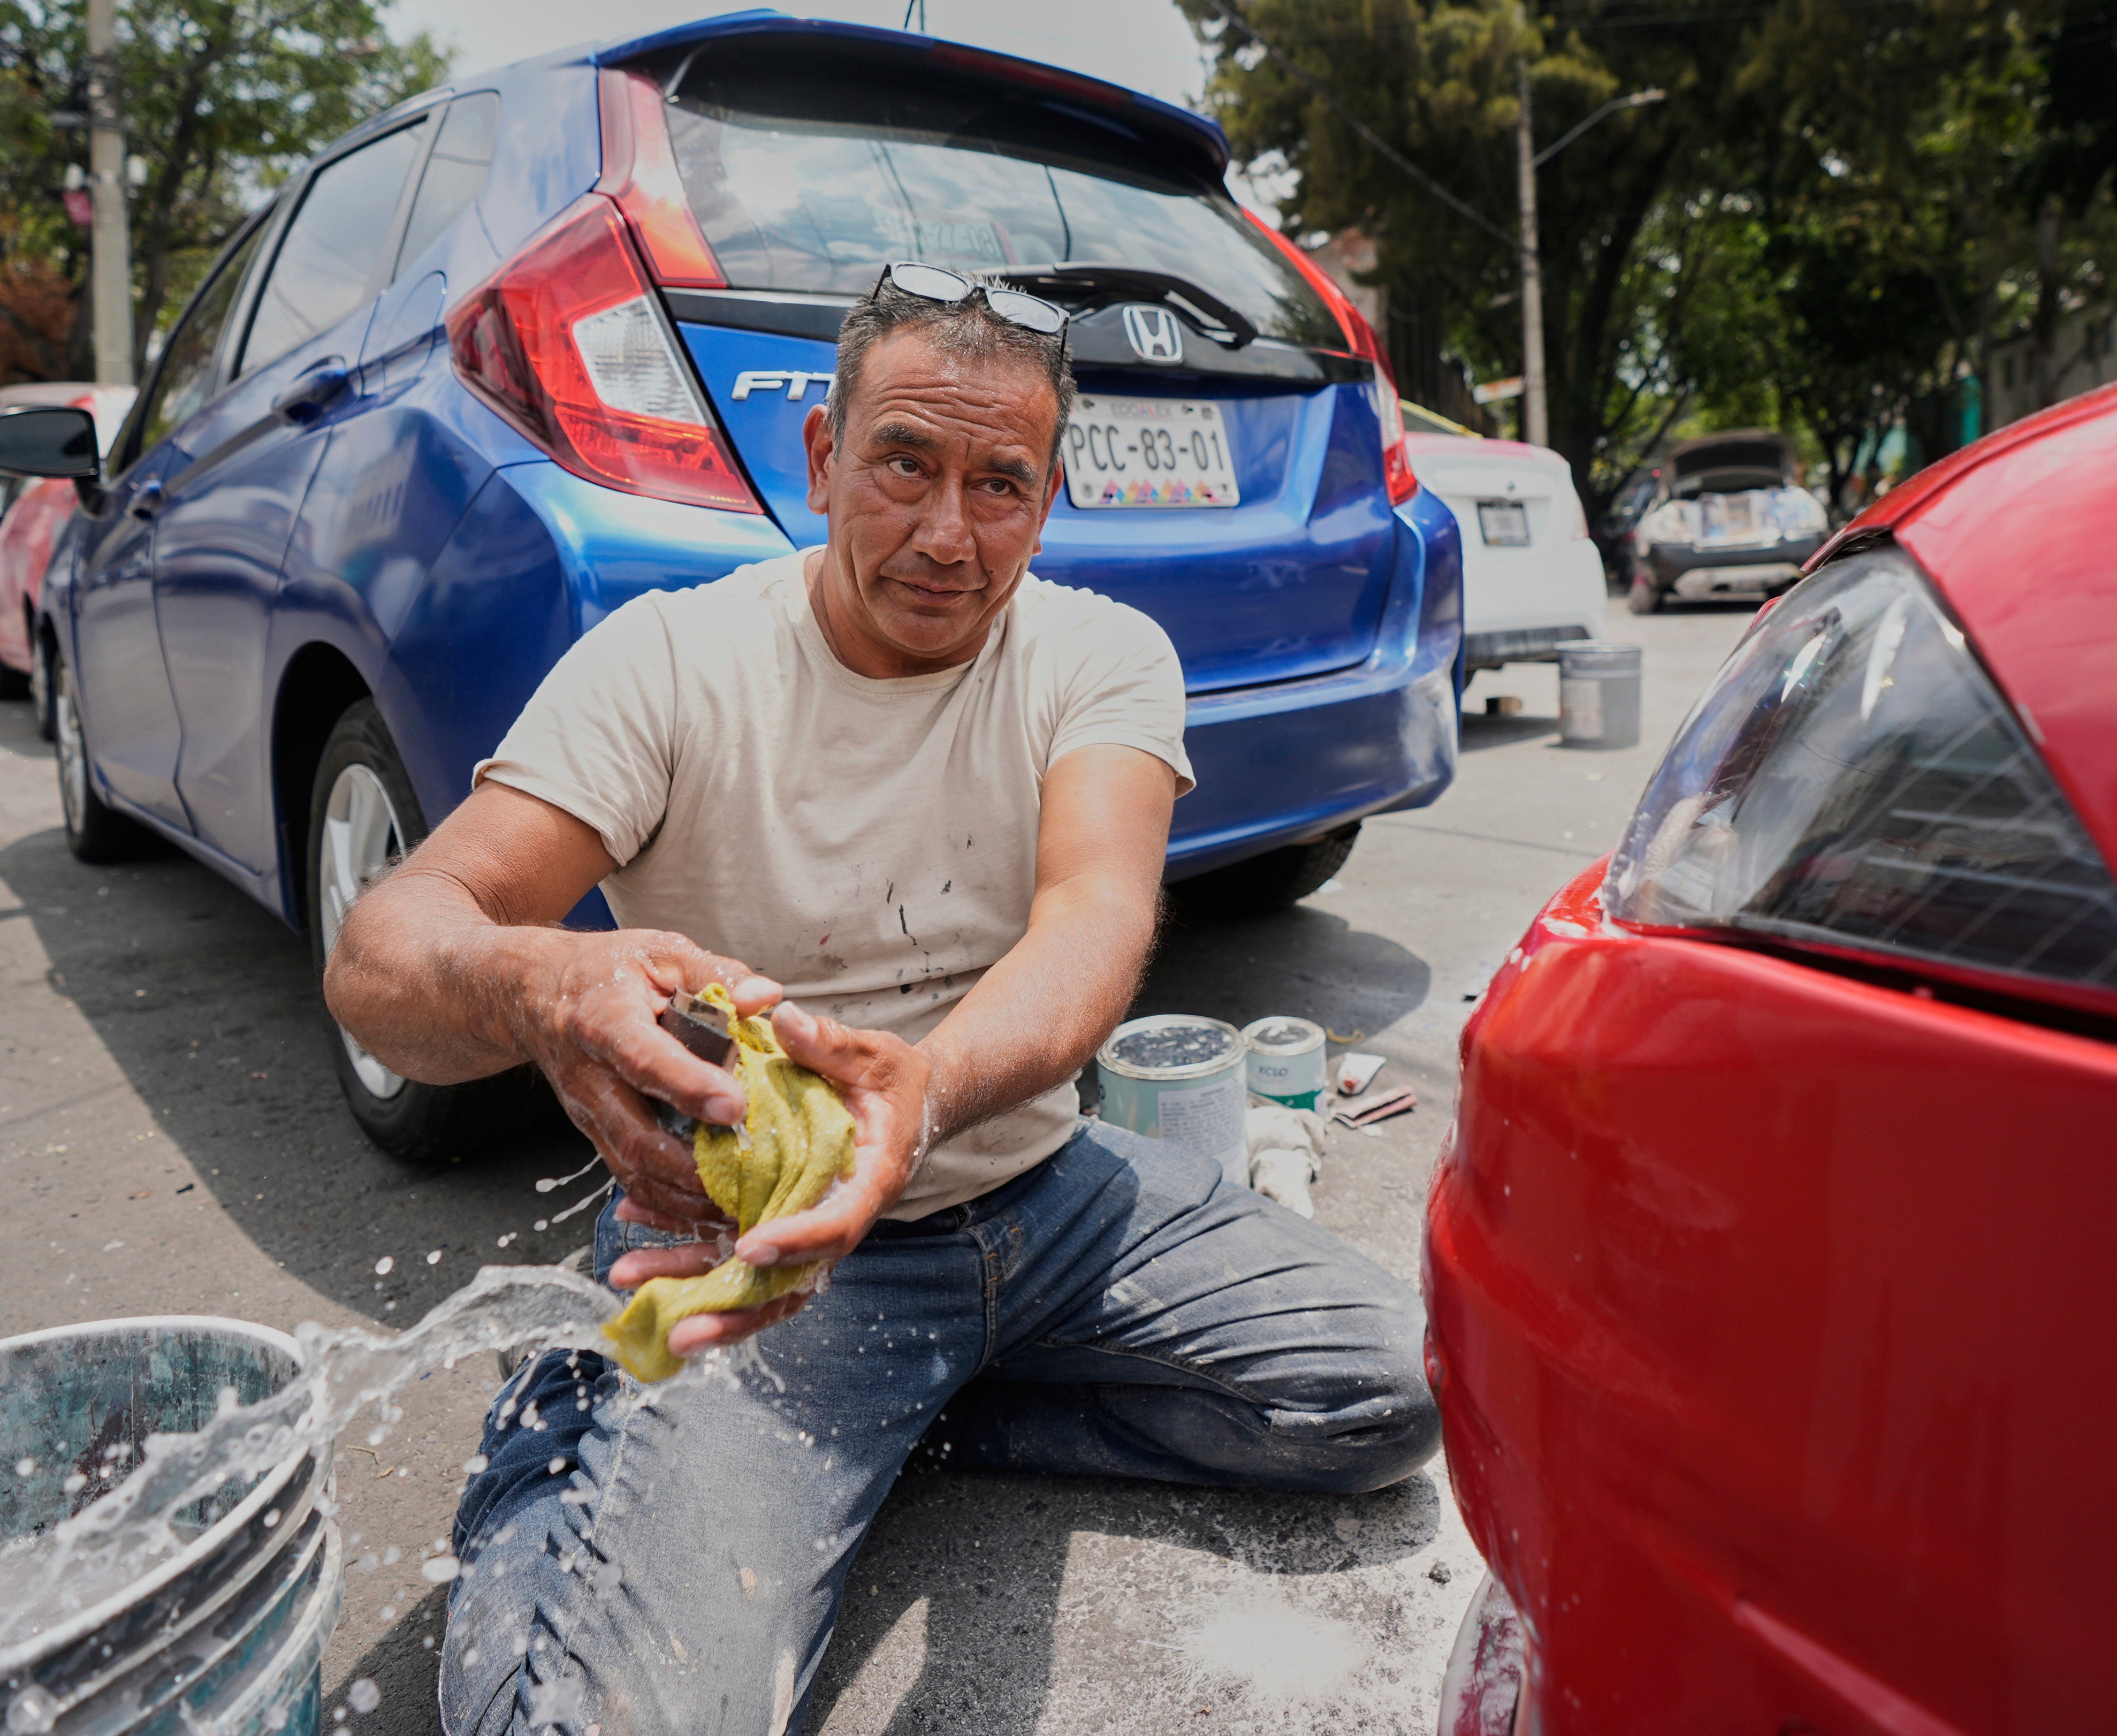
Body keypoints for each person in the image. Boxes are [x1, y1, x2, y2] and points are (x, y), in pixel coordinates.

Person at [324, 264, 1440, 1736]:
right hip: (768, 1252)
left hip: (1056, 1196)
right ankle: (586, 1426)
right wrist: (539, 977)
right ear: (822, 457)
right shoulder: (669, 664)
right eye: (904, 460)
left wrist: (914, 1103)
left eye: (999, 484)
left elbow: (1092, 921)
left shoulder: (1099, 655)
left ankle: (900, 1410)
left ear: (1047, 505)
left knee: (1390, 1393)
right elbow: (384, 953)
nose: (944, 533)